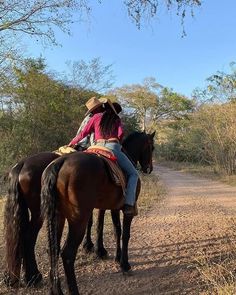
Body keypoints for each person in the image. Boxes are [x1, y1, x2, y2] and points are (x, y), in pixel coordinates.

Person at [68, 98, 138, 216]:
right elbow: (120, 134)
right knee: (133, 174)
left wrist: (71, 143)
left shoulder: (95, 117)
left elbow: (83, 133)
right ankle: (129, 205)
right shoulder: (116, 118)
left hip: (94, 147)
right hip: (113, 147)